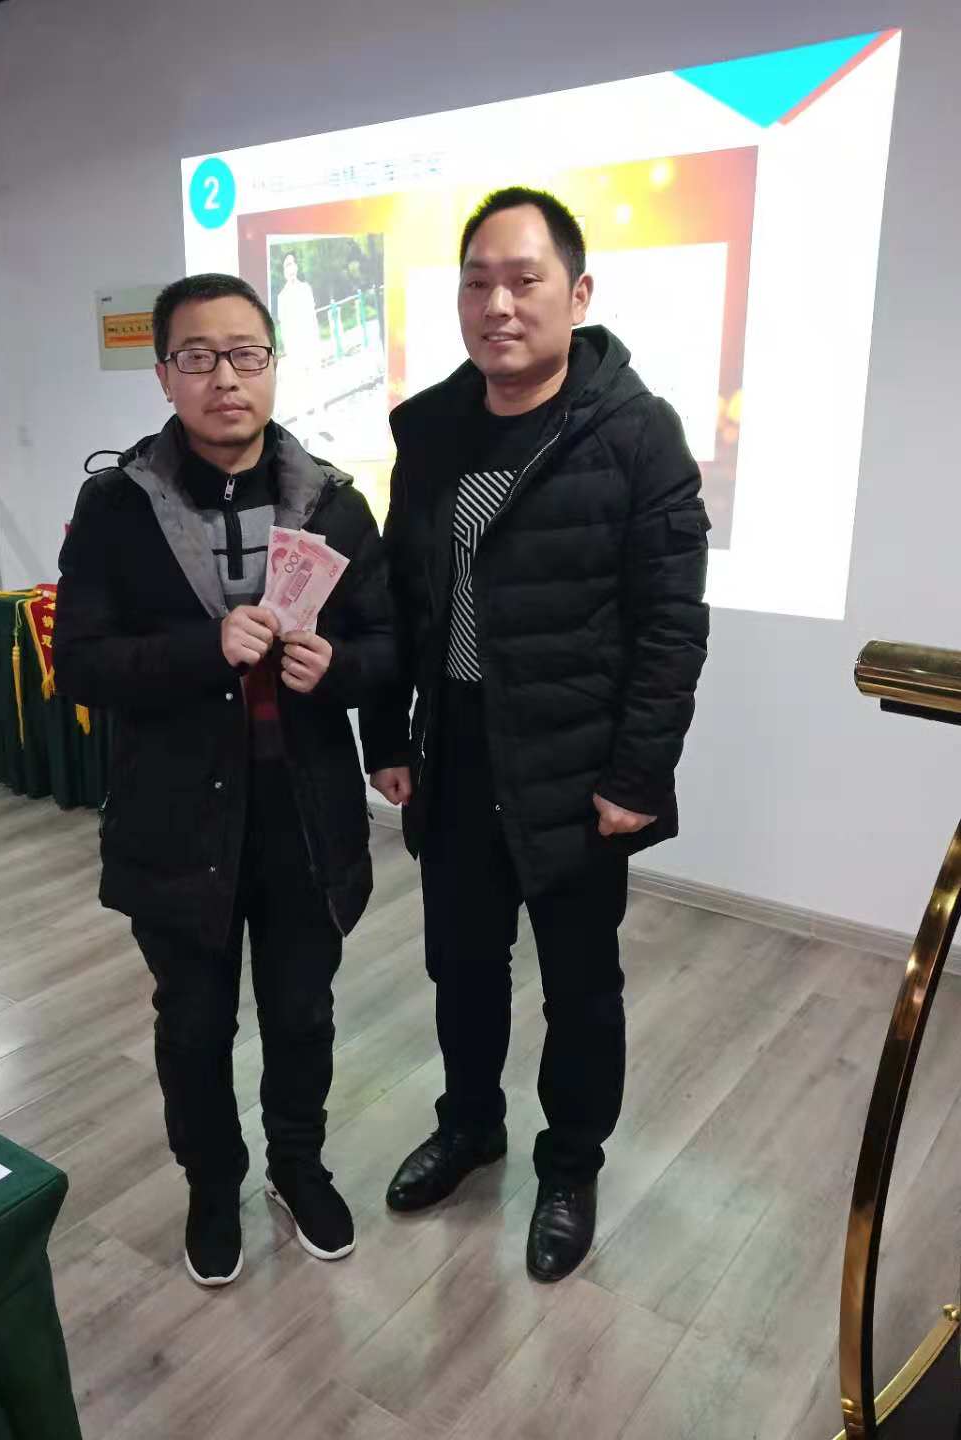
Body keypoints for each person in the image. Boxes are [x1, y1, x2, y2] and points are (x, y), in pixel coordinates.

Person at [361, 187, 710, 1284]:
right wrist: (387, 733)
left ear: (578, 292)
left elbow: (671, 623)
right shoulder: (431, 431)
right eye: (478, 282)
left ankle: (570, 1166)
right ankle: (471, 1127)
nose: (498, 305)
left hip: (575, 762)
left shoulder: (634, 432)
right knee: (462, 968)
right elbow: (401, 597)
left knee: (579, 986)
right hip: (458, 749)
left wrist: (636, 774)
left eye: (524, 280)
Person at [54, 272, 395, 1288]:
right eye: (197, 357)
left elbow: (390, 646)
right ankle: (213, 1183)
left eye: (246, 354)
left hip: (303, 813)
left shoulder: (335, 502)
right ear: (165, 375)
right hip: (175, 818)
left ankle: (298, 1165)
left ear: (274, 366)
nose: (225, 379)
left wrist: (340, 667)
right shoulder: (116, 507)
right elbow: (81, 663)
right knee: (195, 1024)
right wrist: (204, 649)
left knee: (302, 1013)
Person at [277, 251, 334, 447]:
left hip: (310, 344)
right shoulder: (282, 297)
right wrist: (290, 350)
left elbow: (312, 317)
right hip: (295, 349)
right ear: (283, 271)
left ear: (297, 266)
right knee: (300, 391)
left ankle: (323, 426)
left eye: (292, 263)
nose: (291, 268)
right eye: (287, 265)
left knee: (316, 385)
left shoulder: (305, 289)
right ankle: (305, 433)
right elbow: (284, 326)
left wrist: (317, 344)